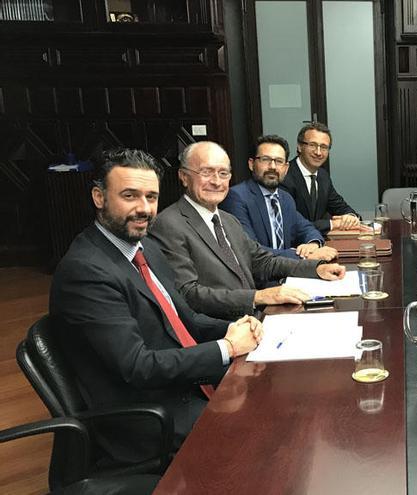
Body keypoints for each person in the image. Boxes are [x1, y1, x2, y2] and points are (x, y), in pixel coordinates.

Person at [49, 148, 262, 462]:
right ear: (99, 197)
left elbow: (185, 319)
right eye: (130, 196)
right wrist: (226, 348)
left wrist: (239, 328)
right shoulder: (86, 271)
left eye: (151, 197)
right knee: (261, 439)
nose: (144, 209)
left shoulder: (145, 247)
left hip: (180, 386)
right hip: (145, 417)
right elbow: (138, 366)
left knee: (276, 401)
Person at [149, 141, 345, 320]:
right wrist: (258, 296)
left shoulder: (227, 220)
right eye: (206, 172)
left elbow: (263, 261)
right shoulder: (168, 224)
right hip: (222, 330)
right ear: (184, 177)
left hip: (256, 318)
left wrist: (316, 269)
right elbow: (188, 294)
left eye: (223, 173)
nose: (217, 181)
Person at [219, 134, 337, 261]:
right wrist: (304, 256)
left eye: (279, 161)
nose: (273, 167)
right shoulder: (237, 197)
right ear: (251, 164)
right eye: (265, 159)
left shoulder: (285, 198)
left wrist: (313, 244)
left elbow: (306, 228)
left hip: (287, 274)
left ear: (286, 168)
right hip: (258, 278)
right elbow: (249, 250)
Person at [279, 122, 360, 233]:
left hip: (319, 242)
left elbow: (340, 207)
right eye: (312, 145)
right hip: (292, 246)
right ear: (299, 146)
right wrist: (332, 224)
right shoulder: (284, 176)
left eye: (324, 147)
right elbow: (290, 224)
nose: (318, 152)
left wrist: (350, 217)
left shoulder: (323, 176)